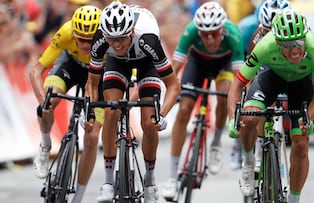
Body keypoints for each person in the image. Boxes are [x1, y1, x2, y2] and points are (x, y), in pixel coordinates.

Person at [227, 9, 314, 203]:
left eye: (299, 42)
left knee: (300, 143)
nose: (295, 49)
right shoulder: (265, 46)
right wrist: (233, 119)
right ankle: (248, 161)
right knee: (249, 118)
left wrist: (309, 118)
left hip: (301, 84)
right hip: (272, 77)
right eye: (288, 45)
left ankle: (293, 199)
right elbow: (238, 83)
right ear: (278, 42)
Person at [84, 2, 180, 203]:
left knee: (149, 122)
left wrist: (161, 114)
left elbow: (173, 85)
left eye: (121, 39)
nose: (117, 44)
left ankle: (150, 181)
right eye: (112, 39)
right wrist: (90, 113)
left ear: (132, 32)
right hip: (116, 63)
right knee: (111, 110)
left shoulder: (148, 40)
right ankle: (108, 182)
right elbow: (92, 83)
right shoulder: (101, 39)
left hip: (146, 63)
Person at [161, 1, 245, 200]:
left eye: (214, 33)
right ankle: (173, 177)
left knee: (225, 95)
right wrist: (167, 89)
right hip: (197, 65)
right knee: (184, 111)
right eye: (204, 34)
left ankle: (215, 144)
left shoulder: (233, 35)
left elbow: (240, 79)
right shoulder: (190, 31)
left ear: (222, 29)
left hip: (224, 65)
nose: (209, 39)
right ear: (197, 30)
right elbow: (174, 69)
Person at [28, 5, 104, 203]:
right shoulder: (66, 32)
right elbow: (36, 71)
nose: (86, 45)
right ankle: (45, 146)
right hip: (70, 65)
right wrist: (43, 102)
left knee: (92, 136)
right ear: (74, 33)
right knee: (49, 100)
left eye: (91, 40)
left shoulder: (109, 40)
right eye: (81, 39)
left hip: (100, 74)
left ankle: (78, 197)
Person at [230, 0, 292, 170]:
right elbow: (248, 73)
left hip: (285, 64)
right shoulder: (249, 30)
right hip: (258, 60)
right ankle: (253, 150)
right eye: (266, 31)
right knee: (255, 102)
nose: (271, 37)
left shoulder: (295, 33)